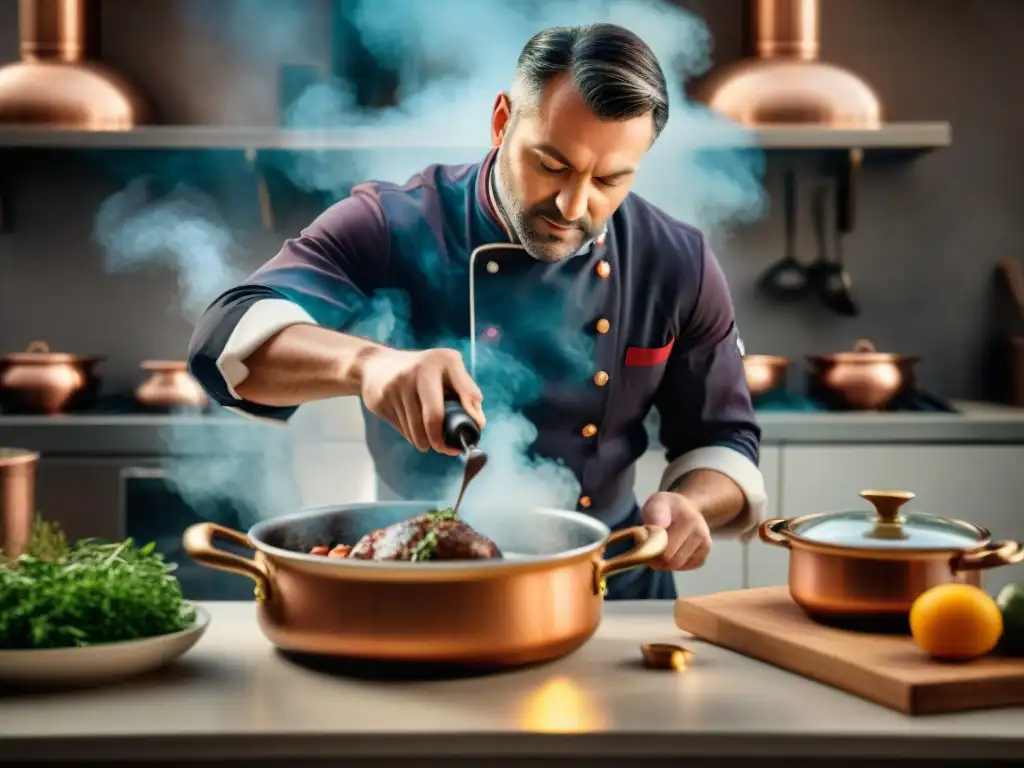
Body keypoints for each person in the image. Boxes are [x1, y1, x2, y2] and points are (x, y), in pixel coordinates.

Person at [188, 23, 766, 599]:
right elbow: (226, 341)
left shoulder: (674, 259)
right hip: (421, 589)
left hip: (611, 592)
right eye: (552, 164)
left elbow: (724, 440)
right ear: (501, 121)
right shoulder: (396, 224)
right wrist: (367, 365)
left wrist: (690, 503)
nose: (574, 204)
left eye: (609, 180)